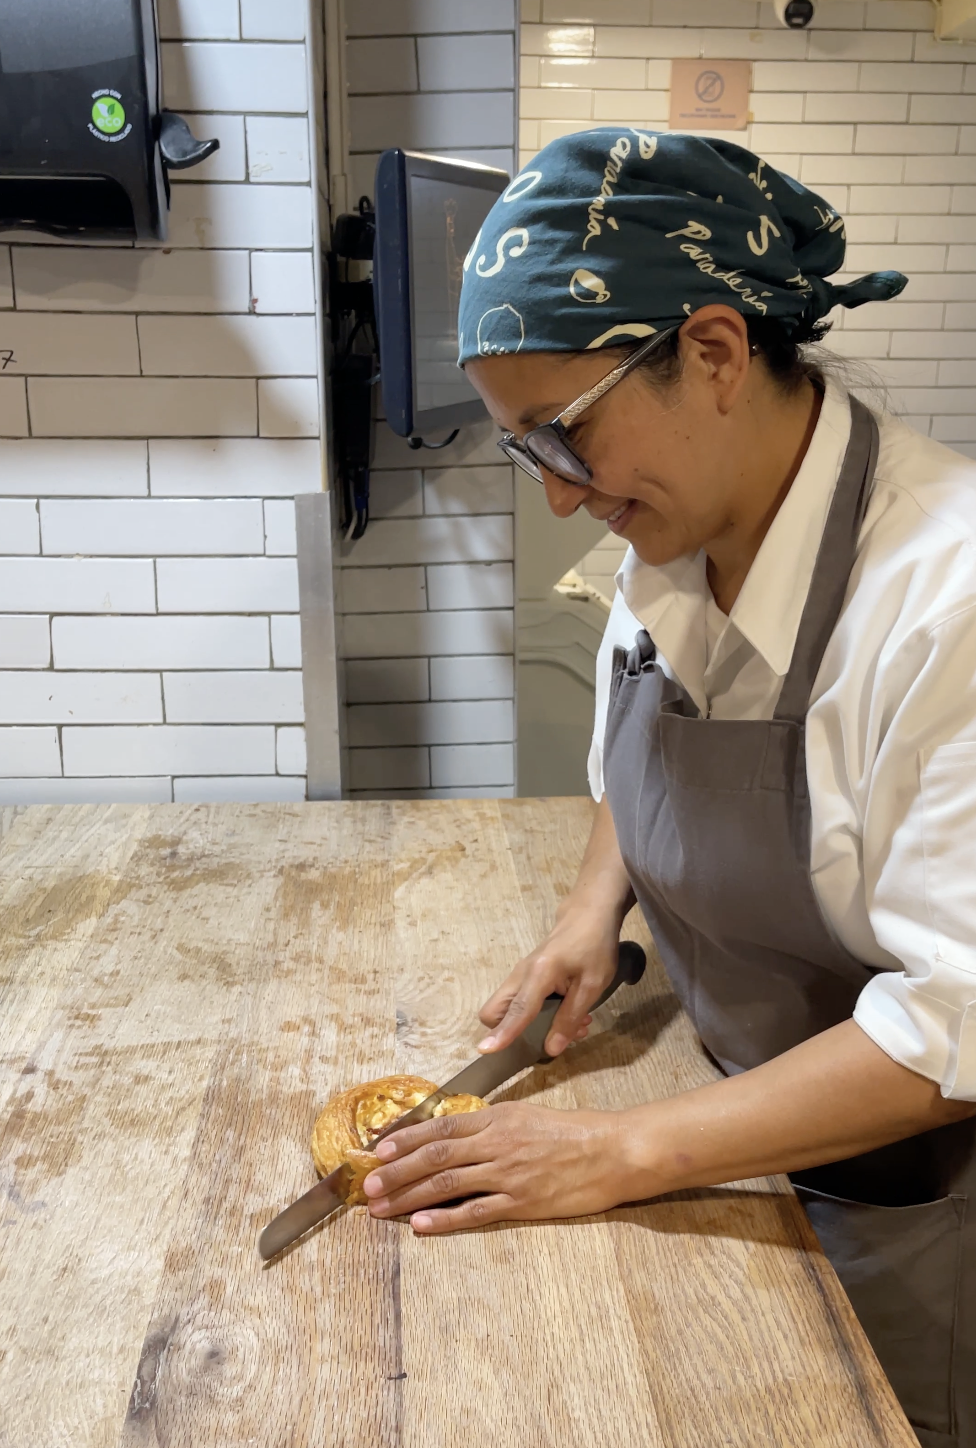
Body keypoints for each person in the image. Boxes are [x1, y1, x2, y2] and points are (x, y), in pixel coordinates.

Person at [361, 129, 976, 1446]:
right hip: (722, 1114)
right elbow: (634, 741)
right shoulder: (680, 523)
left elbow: (958, 1019)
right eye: (530, 452)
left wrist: (619, 1153)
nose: (568, 505)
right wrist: (596, 914)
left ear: (710, 352)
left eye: (564, 436)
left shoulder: (947, 599)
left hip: (906, 1199)